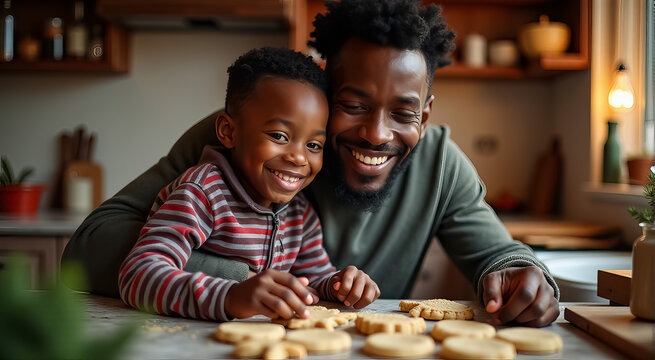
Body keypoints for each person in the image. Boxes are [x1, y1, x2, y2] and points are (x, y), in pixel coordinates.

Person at [63, 0, 560, 327]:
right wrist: (245, 289)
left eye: (403, 113)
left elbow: (501, 256)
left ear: (425, 116)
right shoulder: (245, 138)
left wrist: (522, 276)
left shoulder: (442, 169)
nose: (376, 135)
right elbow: (88, 249)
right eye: (354, 104)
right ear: (325, 87)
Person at [118, 47, 379, 321]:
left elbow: (312, 280)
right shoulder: (203, 192)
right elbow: (138, 274)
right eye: (279, 136)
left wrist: (341, 285)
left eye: (314, 144)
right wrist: (230, 296)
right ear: (229, 132)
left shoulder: (300, 214)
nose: (299, 157)